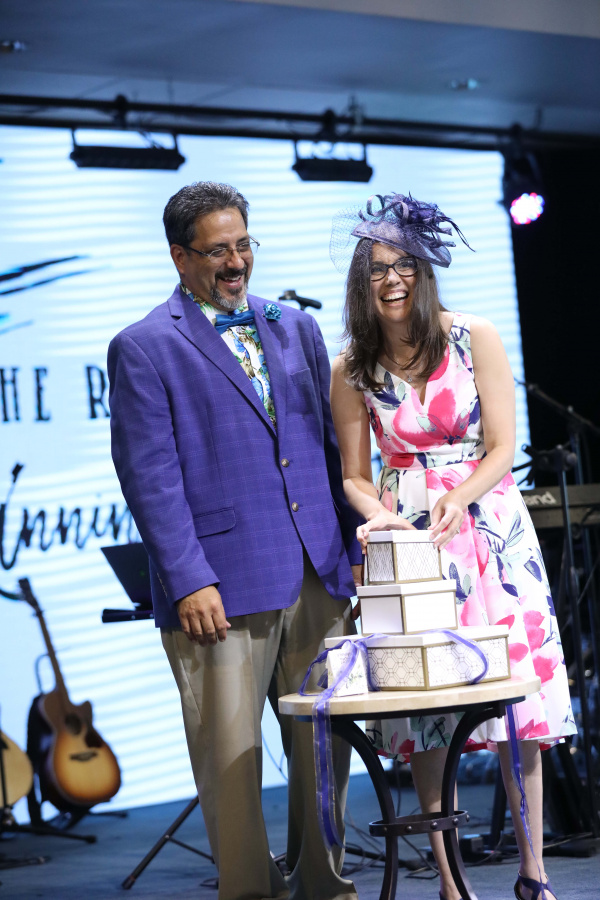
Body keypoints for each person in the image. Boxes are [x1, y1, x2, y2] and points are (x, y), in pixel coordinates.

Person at [107, 181, 363, 900]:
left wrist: (351, 552)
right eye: (218, 250)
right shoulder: (144, 346)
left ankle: (325, 887)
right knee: (231, 757)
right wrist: (189, 578)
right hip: (219, 582)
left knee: (325, 746)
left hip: (317, 567)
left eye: (244, 245)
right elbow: (149, 478)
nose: (236, 262)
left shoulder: (295, 327)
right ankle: (249, 892)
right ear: (180, 257)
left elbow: (328, 450)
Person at [328, 192, 576, 900]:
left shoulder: (474, 336)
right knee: (427, 711)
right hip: (410, 537)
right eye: (377, 269)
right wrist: (383, 517)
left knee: (516, 709)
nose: (392, 279)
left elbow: (502, 446)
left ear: (424, 270)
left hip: (488, 528)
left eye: (403, 265)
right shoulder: (351, 366)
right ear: (362, 282)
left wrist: (460, 495)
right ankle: (448, 879)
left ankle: (533, 872)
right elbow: (353, 476)